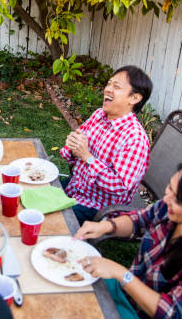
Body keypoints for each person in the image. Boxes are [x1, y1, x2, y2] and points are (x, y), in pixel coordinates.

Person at [75, 158, 182, 318]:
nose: (166, 199)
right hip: (128, 298)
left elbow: (173, 313)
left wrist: (122, 274)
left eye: (177, 199)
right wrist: (106, 226)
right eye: (170, 188)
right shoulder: (169, 210)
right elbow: (140, 220)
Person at [60, 65, 152, 224]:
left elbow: (119, 186)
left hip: (98, 206)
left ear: (134, 98)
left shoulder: (135, 139)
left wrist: (87, 157)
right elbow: (73, 150)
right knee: (32, 192)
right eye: (109, 84)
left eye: (116, 87)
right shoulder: (99, 115)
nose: (108, 89)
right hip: (75, 187)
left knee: (50, 221)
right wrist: (73, 146)